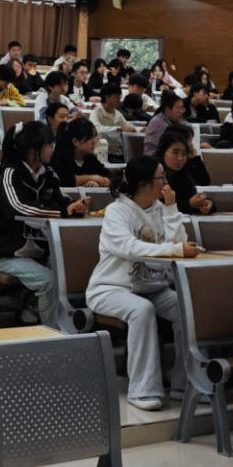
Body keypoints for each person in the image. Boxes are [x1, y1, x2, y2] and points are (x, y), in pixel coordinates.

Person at [86, 157, 199, 412]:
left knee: (186, 307)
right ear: (145, 184)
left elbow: (178, 243)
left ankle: (185, 383)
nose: (165, 182)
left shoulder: (160, 208)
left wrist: (172, 210)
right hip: (111, 289)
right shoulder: (117, 211)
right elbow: (128, 247)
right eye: (161, 178)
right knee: (141, 310)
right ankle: (143, 390)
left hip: (152, 288)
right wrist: (175, 249)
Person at [0, 120, 86, 326]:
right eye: (49, 145)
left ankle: (51, 319)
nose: (52, 149)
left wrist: (74, 206)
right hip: (8, 254)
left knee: (71, 271)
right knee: (50, 281)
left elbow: (61, 199)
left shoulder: (47, 172)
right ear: (33, 149)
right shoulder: (10, 172)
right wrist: (62, 212)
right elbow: (18, 207)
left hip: (41, 253)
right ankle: (53, 331)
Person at [153, 125, 215, 216]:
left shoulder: (183, 172)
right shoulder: (154, 174)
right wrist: (189, 204)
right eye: (175, 152)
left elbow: (200, 187)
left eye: (184, 153)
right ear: (163, 151)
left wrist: (207, 203)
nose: (180, 158)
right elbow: (158, 209)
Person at [50, 116, 110, 188]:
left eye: (94, 138)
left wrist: (96, 182)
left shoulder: (91, 159)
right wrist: (93, 178)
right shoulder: (59, 158)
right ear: (76, 142)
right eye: (90, 138)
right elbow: (65, 180)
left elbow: (108, 177)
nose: (94, 142)